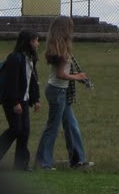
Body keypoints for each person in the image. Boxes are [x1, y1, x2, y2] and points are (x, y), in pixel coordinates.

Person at [34, 15, 92, 170]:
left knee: (71, 125)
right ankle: (43, 162)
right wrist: (77, 77)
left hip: (60, 90)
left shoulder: (60, 48)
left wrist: (75, 78)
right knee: (53, 127)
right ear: (65, 30)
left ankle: (77, 160)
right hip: (57, 91)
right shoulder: (61, 52)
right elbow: (60, 74)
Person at [0, 29, 40, 171]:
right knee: (16, 129)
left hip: (24, 101)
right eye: (36, 40)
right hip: (13, 101)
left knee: (24, 131)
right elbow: (11, 82)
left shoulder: (30, 59)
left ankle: (21, 165)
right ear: (28, 41)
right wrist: (15, 102)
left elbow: (33, 80)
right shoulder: (15, 58)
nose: (38, 43)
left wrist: (36, 99)